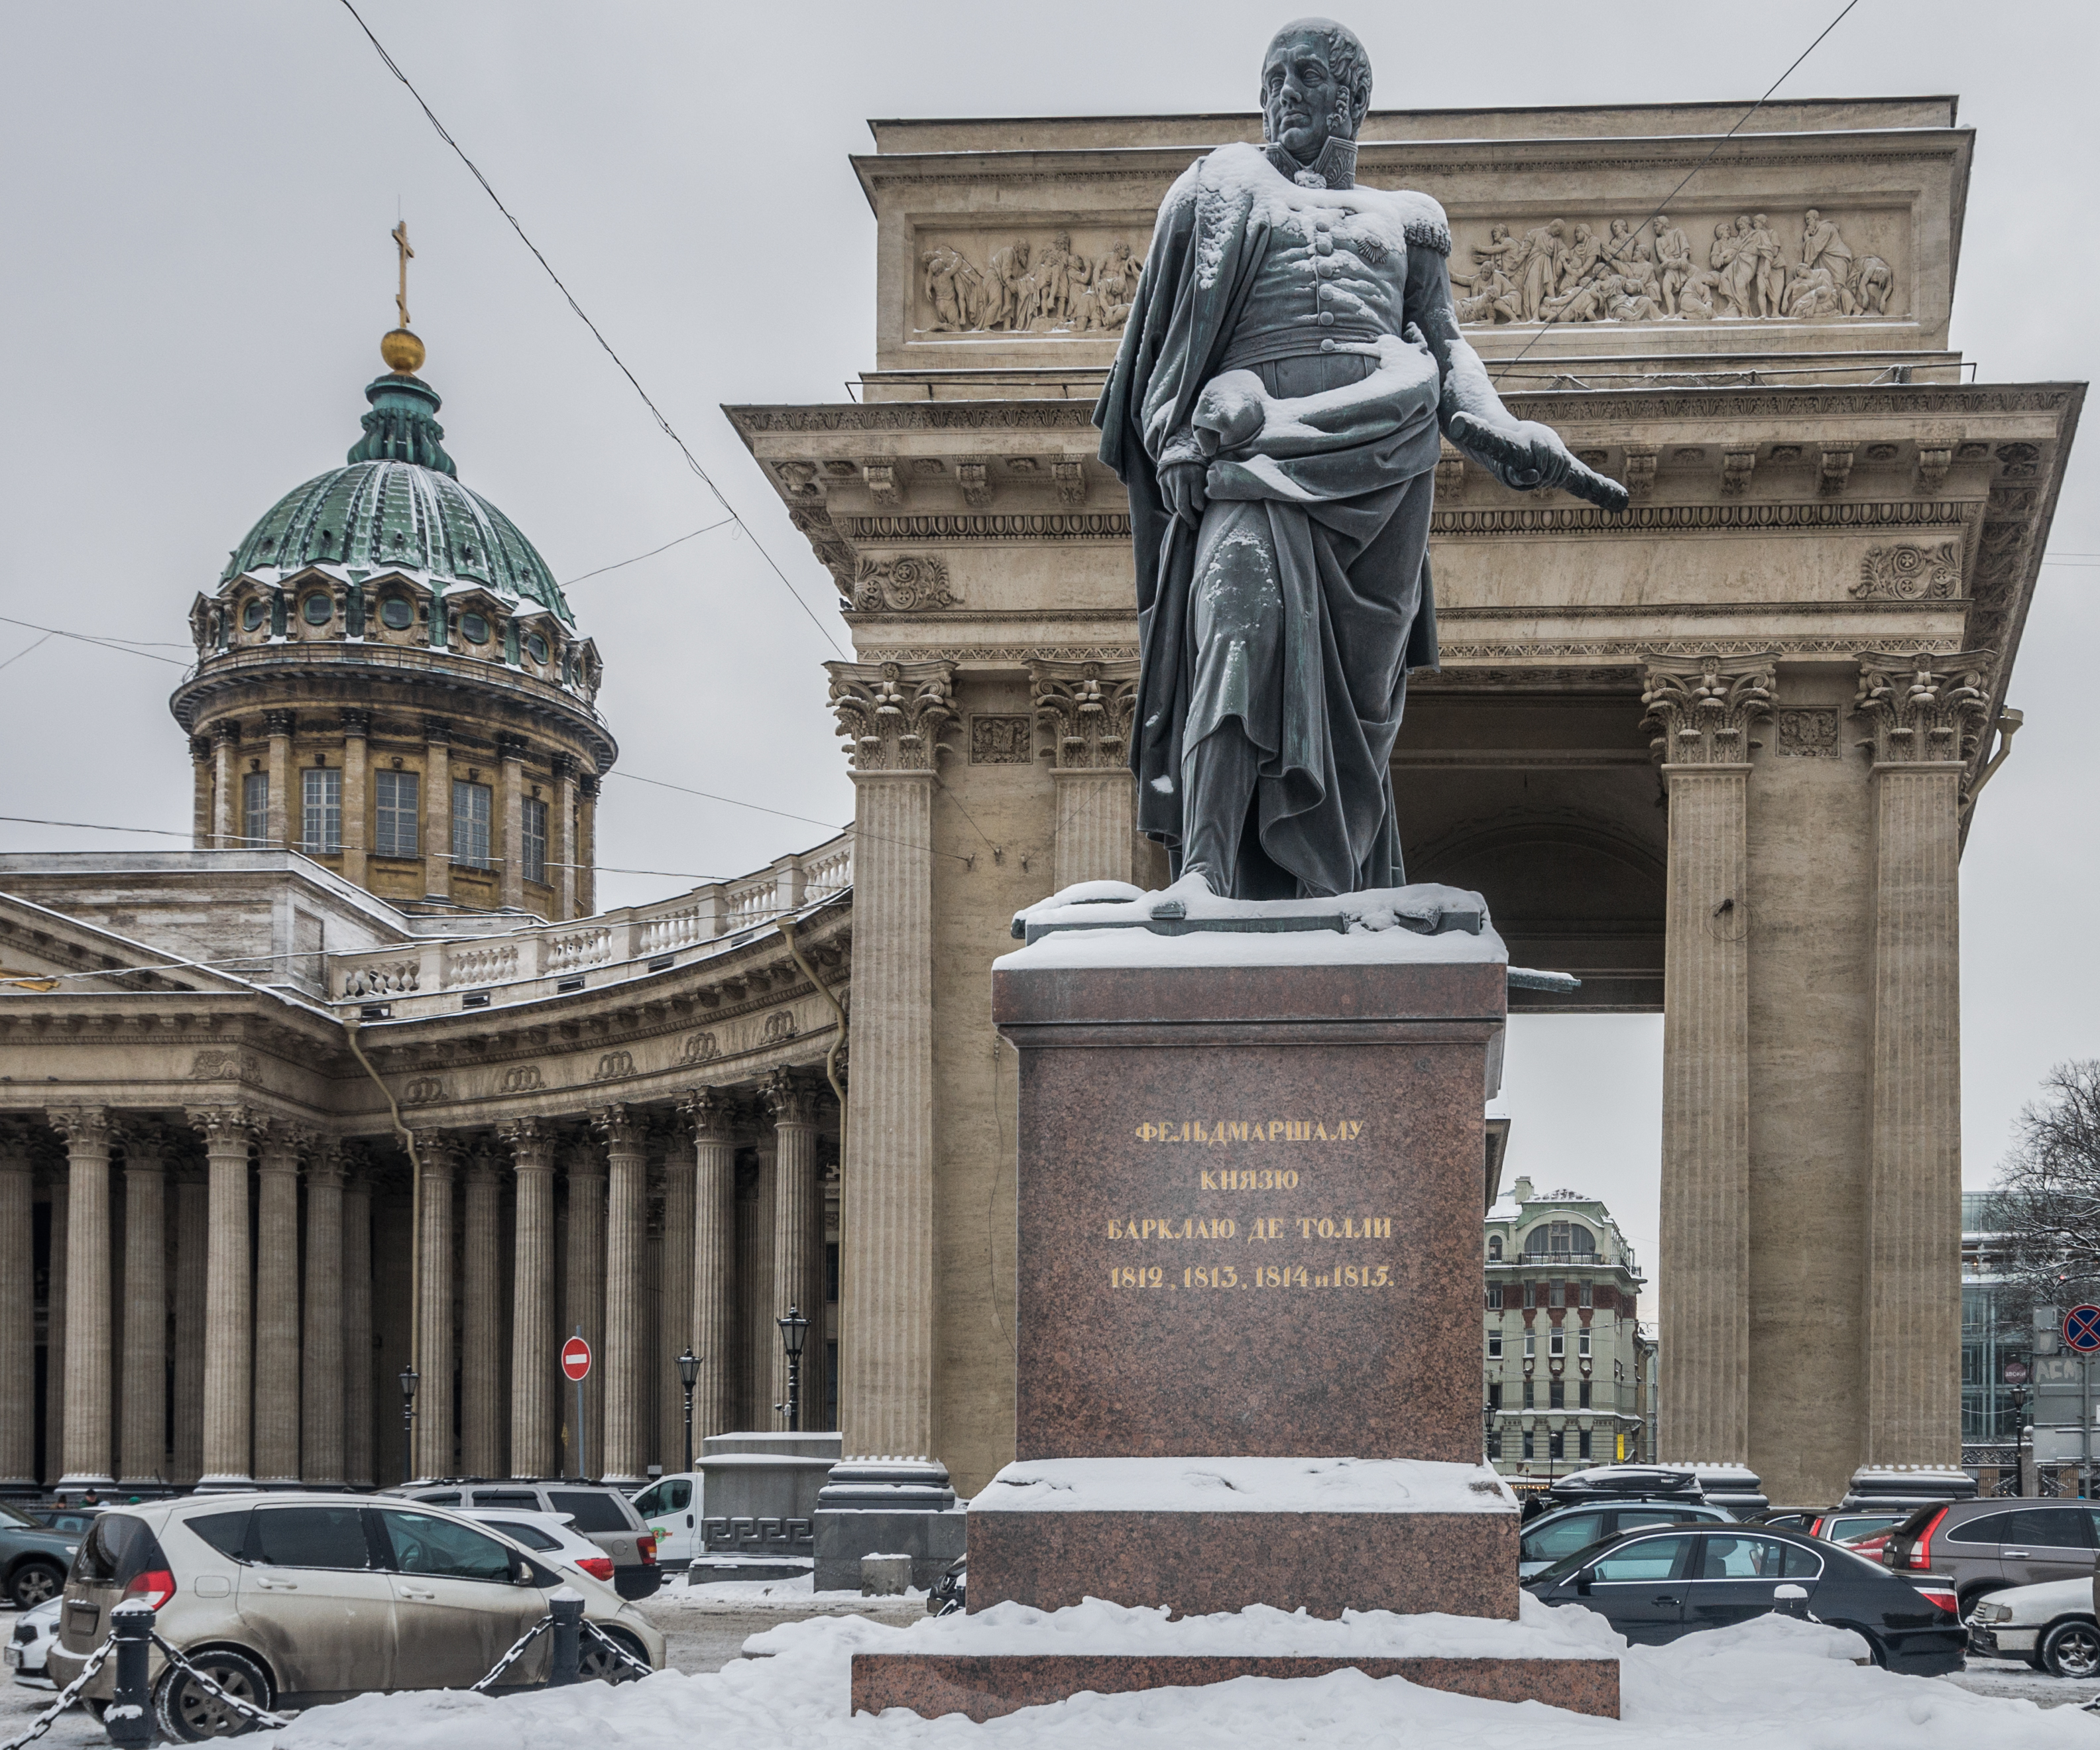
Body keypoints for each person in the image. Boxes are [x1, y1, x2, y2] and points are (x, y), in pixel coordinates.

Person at [1095, 17, 1619, 899]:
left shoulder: (1408, 219)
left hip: (1378, 476)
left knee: (1354, 720)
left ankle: (1323, 889)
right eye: (1271, 78)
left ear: (1355, 96)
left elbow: (1446, 348)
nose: (1283, 93)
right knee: (1235, 614)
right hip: (1250, 455)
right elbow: (1159, 347)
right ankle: (1206, 868)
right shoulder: (1221, 188)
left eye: (1302, 73)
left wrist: (1501, 428)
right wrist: (1175, 433)